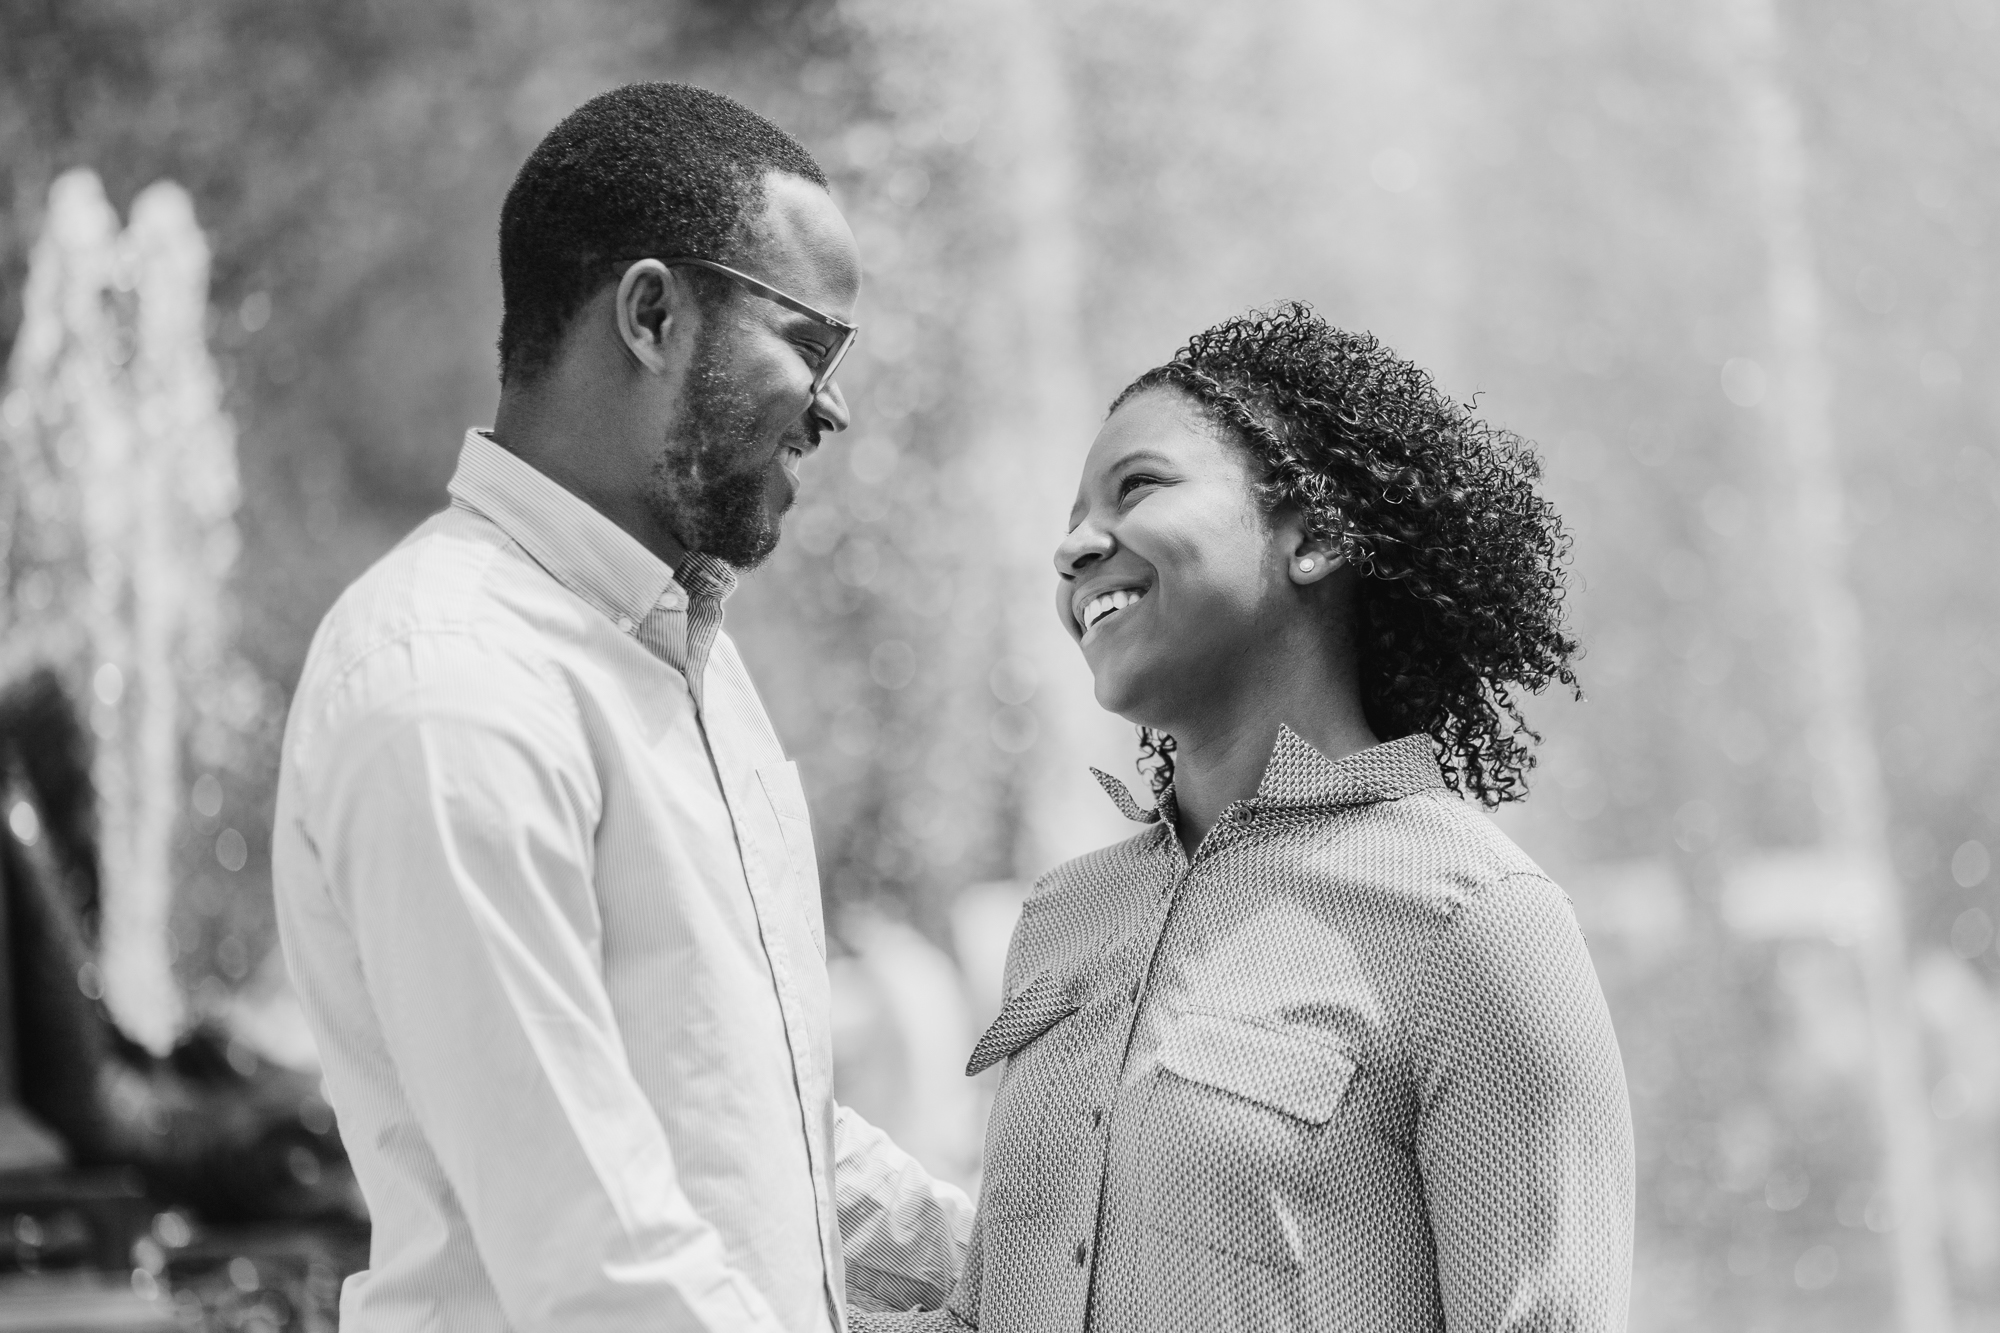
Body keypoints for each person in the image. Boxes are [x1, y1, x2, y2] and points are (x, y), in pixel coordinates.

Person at [272, 83, 970, 1333]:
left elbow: (750, 1119)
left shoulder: (679, 652)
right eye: (811, 342)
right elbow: (599, 1267)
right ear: (652, 313)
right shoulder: (453, 683)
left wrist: (1034, 1276)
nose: (834, 406)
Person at [858, 303, 1632, 1332]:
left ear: (1312, 534)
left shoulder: (1474, 923)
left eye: (1136, 487)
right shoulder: (1062, 917)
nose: (1072, 546)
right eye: (1071, 514)